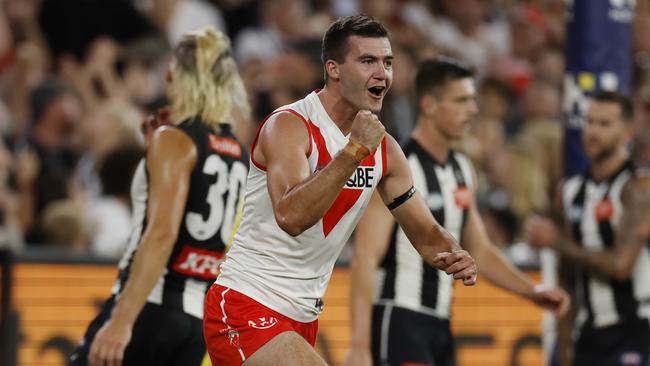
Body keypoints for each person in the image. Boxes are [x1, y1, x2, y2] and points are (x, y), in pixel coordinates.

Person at [203, 15, 478, 366]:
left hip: (302, 317)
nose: (383, 73)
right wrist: (352, 152)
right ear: (333, 69)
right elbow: (291, 216)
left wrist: (453, 252)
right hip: (247, 304)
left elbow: (424, 231)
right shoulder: (289, 125)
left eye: (388, 62)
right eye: (368, 61)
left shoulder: (385, 149)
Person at [343, 57, 570, 366]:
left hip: (441, 324)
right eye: (462, 100)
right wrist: (359, 344)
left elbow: (479, 249)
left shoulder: (463, 169)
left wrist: (530, 291)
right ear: (429, 105)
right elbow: (365, 258)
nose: (473, 110)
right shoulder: (398, 168)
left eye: (473, 100)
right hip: (399, 319)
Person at [70, 26, 250, 366]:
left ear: (172, 73)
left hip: (149, 306)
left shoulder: (176, 140)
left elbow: (163, 233)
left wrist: (121, 321)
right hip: (197, 320)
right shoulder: (237, 152)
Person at [527, 91, 650, 366]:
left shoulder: (638, 188)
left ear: (627, 132)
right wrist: (565, 344)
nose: (593, 131)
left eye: (605, 124)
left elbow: (621, 266)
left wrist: (556, 241)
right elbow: (568, 278)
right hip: (588, 334)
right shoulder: (570, 191)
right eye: (590, 122)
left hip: (634, 330)